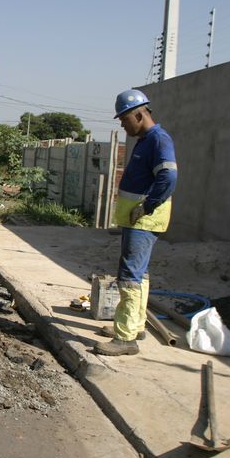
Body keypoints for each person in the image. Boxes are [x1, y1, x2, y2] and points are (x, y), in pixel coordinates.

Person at [94, 89, 178, 357]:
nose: (121, 123)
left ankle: (126, 338)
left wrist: (146, 206)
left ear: (140, 114)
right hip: (138, 220)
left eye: (124, 119)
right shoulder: (146, 140)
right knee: (139, 274)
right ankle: (135, 326)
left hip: (144, 220)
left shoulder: (158, 140)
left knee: (129, 276)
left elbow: (168, 177)